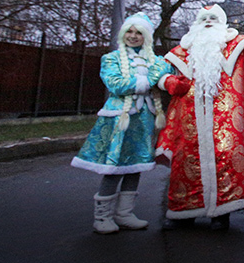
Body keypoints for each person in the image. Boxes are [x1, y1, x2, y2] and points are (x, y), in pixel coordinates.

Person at [155, 4, 244, 231]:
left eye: (214, 18)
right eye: (205, 18)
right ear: (197, 23)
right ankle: (183, 213)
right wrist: (167, 81)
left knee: (226, 164)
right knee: (185, 164)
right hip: (188, 121)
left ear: (222, 22)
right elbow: (157, 70)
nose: (209, 21)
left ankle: (221, 214)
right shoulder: (182, 51)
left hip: (227, 122)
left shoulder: (238, 44)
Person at [72, 12, 171, 234]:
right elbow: (116, 84)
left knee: (136, 166)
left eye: (139, 33)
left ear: (146, 36)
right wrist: (146, 80)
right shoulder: (111, 59)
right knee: (114, 167)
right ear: (123, 33)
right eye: (130, 31)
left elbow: (166, 71)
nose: (133, 36)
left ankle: (124, 213)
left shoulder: (156, 61)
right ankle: (102, 217)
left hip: (143, 120)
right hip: (118, 120)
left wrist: (151, 77)